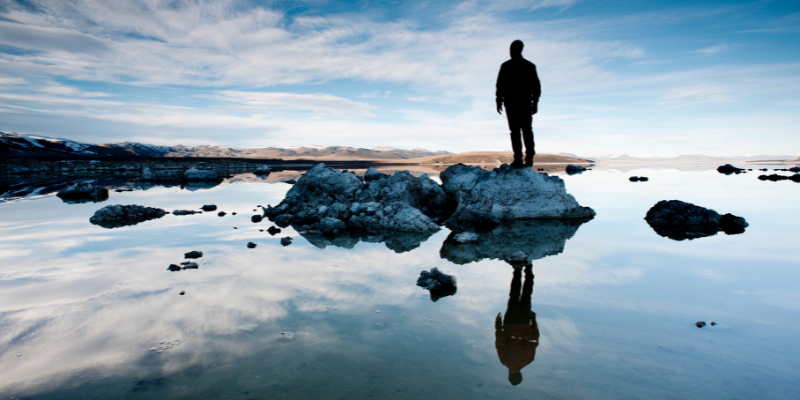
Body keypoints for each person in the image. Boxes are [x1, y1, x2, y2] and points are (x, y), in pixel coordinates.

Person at [496, 40, 541, 168]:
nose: (511, 52)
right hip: (512, 104)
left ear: (519, 50)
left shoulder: (528, 66)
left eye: (512, 50)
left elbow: (536, 87)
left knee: (525, 131)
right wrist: (499, 100)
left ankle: (528, 158)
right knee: (516, 131)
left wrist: (535, 102)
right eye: (510, 50)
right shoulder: (506, 66)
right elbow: (500, 85)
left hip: (522, 103)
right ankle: (519, 159)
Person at [495, 263, 539, 386]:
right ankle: (518, 270)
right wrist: (498, 325)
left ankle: (529, 271)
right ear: (510, 374)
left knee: (526, 296)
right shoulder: (505, 360)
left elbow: (534, 340)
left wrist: (534, 321)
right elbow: (500, 341)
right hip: (510, 321)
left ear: (520, 374)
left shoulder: (528, 360)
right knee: (514, 296)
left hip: (525, 321)